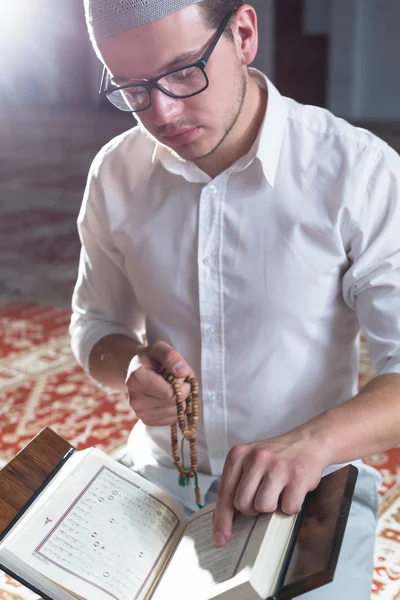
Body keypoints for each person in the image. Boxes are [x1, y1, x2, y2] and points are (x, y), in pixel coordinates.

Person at [71, 0, 400, 597]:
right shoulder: (115, 173)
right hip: (159, 483)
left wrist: (312, 444)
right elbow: (94, 322)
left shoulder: (357, 172)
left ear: (243, 35)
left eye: (181, 73)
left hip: (309, 491)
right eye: (132, 89)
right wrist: (128, 366)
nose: (162, 111)